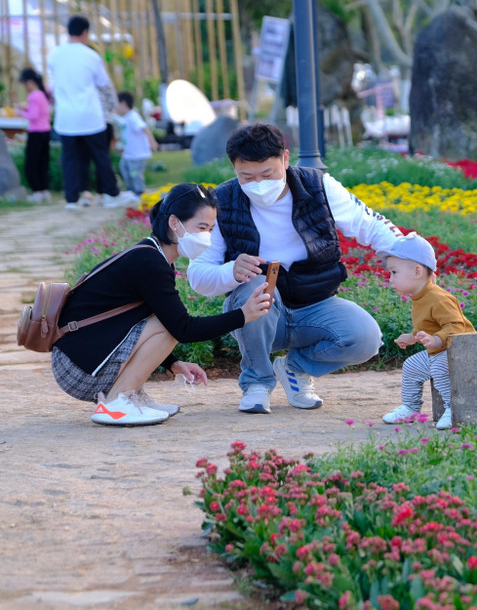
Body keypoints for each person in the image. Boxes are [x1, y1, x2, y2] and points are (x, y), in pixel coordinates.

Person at [187, 123, 404, 414]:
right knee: (257, 286)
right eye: (247, 177)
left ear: (285, 159)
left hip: (314, 305)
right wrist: (230, 271)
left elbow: (370, 224)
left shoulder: (319, 187)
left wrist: (407, 252)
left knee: (365, 337)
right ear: (233, 167)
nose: (259, 185)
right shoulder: (221, 202)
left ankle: (294, 369)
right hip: (258, 316)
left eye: (268, 174)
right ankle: (257, 383)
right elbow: (198, 276)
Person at [52, 183, 272, 426]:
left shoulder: (153, 256)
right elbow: (183, 329)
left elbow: (145, 323)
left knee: (167, 321)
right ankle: (118, 401)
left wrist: (173, 363)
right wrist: (242, 315)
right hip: (78, 369)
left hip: (82, 360)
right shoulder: (149, 261)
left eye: (210, 229)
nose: (206, 237)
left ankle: (132, 395)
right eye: (201, 227)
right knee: (172, 324)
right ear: (174, 223)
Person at [378, 233, 475, 430]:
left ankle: (453, 408)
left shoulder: (439, 298)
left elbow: (456, 326)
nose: (390, 279)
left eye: (394, 272)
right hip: (439, 351)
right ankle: (411, 407)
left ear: (417, 271)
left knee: (439, 368)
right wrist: (412, 337)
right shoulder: (420, 297)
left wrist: (437, 340)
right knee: (411, 366)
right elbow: (427, 328)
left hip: (460, 351)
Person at [47, 15, 123, 210]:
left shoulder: (55, 54)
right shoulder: (90, 55)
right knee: (100, 156)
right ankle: (111, 193)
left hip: (66, 117)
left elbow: (52, 83)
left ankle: (72, 199)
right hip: (90, 116)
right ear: (85, 32)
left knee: (70, 158)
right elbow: (102, 82)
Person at [15, 68, 51, 203]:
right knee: (43, 162)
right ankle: (44, 191)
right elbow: (40, 112)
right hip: (46, 132)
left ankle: (36, 192)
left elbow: (33, 116)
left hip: (35, 133)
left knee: (31, 164)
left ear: (30, 82)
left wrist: (20, 113)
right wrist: (25, 108)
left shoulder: (33, 96)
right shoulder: (43, 94)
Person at [115, 91, 157, 201]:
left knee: (135, 173)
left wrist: (152, 142)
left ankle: (139, 192)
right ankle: (131, 191)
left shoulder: (133, 117)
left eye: (117, 103)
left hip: (138, 155)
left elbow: (145, 129)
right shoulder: (126, 118)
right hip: (129, 154)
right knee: (123, 167)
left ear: (123, 103)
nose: (115, 107)